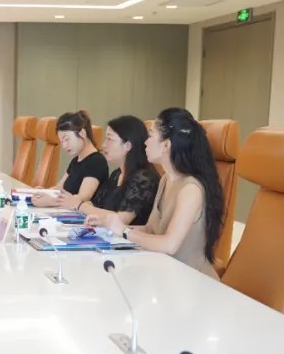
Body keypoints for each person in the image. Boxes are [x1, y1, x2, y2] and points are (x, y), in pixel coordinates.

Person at [89, 107, 224, 278]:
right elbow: (150, 228)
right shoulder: (166, 179)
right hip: (165, 271)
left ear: (166, 145)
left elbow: (169, 245)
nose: (145, 142)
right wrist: (108, 227)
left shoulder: (190, 189)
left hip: (190, 279)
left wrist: (124, 231)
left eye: (151, 135)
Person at [55, 115, 160, 226]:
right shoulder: (117, 174)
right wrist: (77, 204)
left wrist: (79, 205)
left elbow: (121, 219)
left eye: (110, 139)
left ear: (128, 145)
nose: (104, 145)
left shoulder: (144, 178)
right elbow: (94, 204)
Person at [32, 110, 108, 207]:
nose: (64, 146)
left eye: (67, 139)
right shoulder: (76, 160)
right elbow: (59, 188)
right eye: (62, 141)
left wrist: (50, 201)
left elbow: (81, 198)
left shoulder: (96, 162)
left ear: (82, 133)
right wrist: (44, 192)